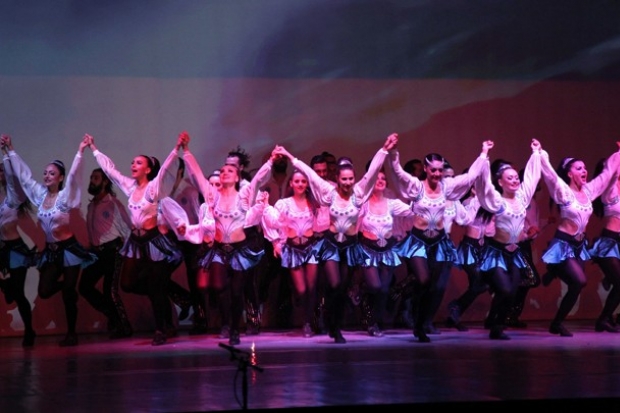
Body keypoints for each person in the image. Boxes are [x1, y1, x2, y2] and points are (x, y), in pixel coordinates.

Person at [273, 133, 397, 343]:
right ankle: (333, 326)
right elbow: (310, 174)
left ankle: (334, 325)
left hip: (350, 246)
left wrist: (385, 149)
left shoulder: (359, 192)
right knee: (334, 284)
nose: (347, 182)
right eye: (344, 179)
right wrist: (288, 155)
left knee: (342, 287)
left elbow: (373, 170)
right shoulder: (330, 192)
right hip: (331, 245)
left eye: (350, 179)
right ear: (338, 179)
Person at [384, 140, 492, 342]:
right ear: (425, 169)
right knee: (422, 280)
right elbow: (398, 172)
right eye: (433, 170)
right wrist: (393, 151)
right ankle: (411, 310)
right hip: (418, 241)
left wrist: (484, 153)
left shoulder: (446, 186)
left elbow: (470, 176)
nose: (437, 174)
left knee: (433, 287)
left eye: (440, 170)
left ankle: (420, 325)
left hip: (439, 242)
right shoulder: (417, 187)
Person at [176, 132, 274, 346]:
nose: (224, 172)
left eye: (230, 170)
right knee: (221, 288)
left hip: (240, 250)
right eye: (222, 171)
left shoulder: (244, 195)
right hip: (220, 250)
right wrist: (186, 150)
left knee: (237, 292)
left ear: (238, 177)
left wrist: (271, 161)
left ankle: (234, 329)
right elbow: (197, 174)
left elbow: (259, 179)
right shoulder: (212, 195)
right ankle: (227, 324)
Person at [85, 133, 182, 346]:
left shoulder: (153, 188)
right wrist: (94, 148)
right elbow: (110, 171)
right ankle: (163, 292)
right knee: (128, 283)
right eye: (132, 162)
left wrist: (176, 148)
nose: (133, 165)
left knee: (155, 288)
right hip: (136, 244)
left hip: (154, 242)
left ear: (147, 169)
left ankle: (160, 329)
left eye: (138, 163)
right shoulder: (129, 187)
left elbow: (165, 169)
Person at [4, 135, 96, 347]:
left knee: (68, 296)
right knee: (44, 291)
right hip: (51, 251)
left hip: (69, 249)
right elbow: (25, 177)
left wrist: (80, 151)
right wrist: (10, 149)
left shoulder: (64, 197)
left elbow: (74, 176)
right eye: (45, 173)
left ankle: (71, 333)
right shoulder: (40, 196)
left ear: (60, 178)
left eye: (52, 173)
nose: (47, 176)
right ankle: (68, 286)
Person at [540, 144, 620, 337]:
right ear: (569, 174)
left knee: (577, 286)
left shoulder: (589, 191)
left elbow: (607, 174)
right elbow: (551, 177)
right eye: (579, 168)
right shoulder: (564, 192)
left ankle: (556, 323)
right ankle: (555, 268)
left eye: (584, 168)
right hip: (563, 244)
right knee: (580, 281)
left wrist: (618, 154)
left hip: (579, 245)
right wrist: (541, 154)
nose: (584, 171)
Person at [474, 139, 543, 340]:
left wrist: (536, 153)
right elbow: (484, 185)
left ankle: (496, 324)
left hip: (516, 253)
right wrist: (485, 155)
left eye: (515, 178)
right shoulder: (497, 201)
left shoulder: (522, 199)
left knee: (511, 292)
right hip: (497, 252)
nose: (514, 181)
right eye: (509, 178)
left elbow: (532, 178)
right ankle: (495, 324)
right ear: (501, 182)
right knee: (504, 289)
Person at [261, 168, 322, 337]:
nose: (300, 184)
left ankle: (308, 323)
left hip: (311, 247)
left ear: (307, 184)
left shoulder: (313, 203)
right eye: (297, 181)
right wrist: (276, 243)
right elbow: (272, 223)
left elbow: (321, 224)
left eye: (303, 181)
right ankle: (306, 319)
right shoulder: (284, 204)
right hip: (293, 248)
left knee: (311, 287)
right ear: (291, 184)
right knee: (301, 289)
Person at [357, 169, 413, 336]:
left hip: (388, 249)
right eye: (377, 178)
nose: (380, 181)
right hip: (368, 249)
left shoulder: (392, 203)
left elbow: (412, 210)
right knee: (375, 286)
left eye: (383, 178)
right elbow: (354, 226)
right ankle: (363, 294)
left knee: (383, 289)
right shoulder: (364, 204)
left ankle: (374, 323)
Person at [79, 168, 133, 339]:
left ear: (105, 182)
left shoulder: (113, 204)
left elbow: (127, 229)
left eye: (96, 178)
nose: (92, 180)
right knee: (84, 287)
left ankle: (124, 326)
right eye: (91, 177)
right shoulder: (91, 205)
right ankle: (113, 317)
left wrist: (126, 253)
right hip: (97, 254)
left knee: (110, 291)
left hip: (113, 251)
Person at [0, 135, 38, 347]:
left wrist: (6, 151)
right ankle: (7, 287)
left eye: (1, 173)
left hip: (16, 249)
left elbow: (11, 174)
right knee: (12, 292)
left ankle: (29, 330)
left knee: (19, 294)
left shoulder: (13, 198)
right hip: (2, 249)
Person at [167, 159, 208, 335]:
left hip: (192, 242)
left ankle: (201, 319)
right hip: (173, 241)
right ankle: (184, 300)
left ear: (179, 171)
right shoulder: (166, 193)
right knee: (158, 275)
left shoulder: (190, 191)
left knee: (195, 282)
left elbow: (201, 217)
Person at [445, 185, 494, 331]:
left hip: (481, 247)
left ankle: (455, 314)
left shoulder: (485, 203)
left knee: (479, 285)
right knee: (479, 283)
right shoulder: (468, 202)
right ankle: (456, 307)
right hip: (469, 248)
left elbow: (489, 229)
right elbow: (466, 220)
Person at [588, 157, 620, 333]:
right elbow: (612, 174)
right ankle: (603, 320)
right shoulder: (609, 190)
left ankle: (608, 318)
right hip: (608, 242)